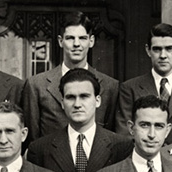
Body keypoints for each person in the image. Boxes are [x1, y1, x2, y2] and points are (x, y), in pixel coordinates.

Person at [22, 11, 119, 142]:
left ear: (91, 41)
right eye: (70, 38)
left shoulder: (110, 86)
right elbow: (31, 141)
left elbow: (111, 139)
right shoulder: (37, 85)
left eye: (82, 38)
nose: (76, 44)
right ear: (60, 41)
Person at [115, 24, 172, 144]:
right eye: (157, 49)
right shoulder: (130, 88)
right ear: (148, 50)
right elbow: (125, 135)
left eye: (169, 49)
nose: (163, 55)